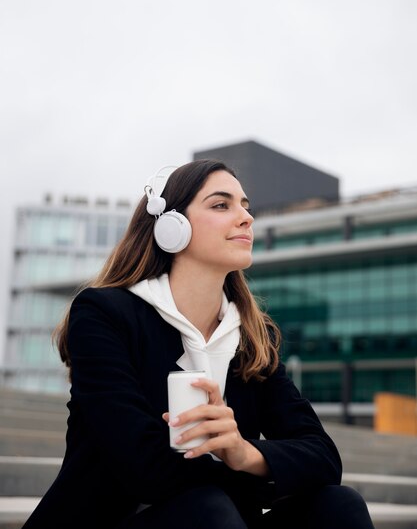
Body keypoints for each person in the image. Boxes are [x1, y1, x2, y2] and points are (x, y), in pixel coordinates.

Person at [22, 160, 375, 529]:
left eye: (245, 206)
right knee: (207, 509)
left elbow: (323, 458)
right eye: (221, 205)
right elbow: (144, 468)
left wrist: (242, 452)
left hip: (217, 515)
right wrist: (253, 477)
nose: (246, 218)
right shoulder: (105, 314)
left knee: (339, 505)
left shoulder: (254, 338)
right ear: (171, 227)